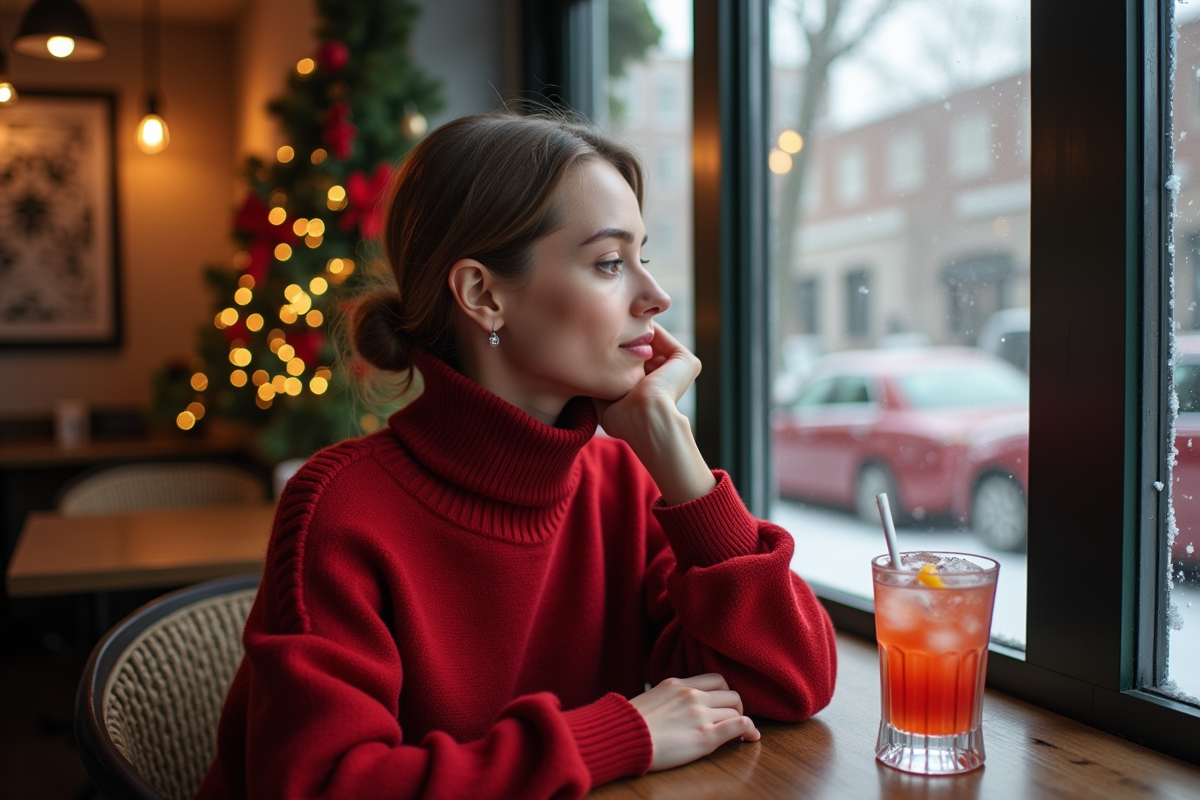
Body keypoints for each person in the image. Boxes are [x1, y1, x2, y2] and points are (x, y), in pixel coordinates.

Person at [196, 110, 837, 800]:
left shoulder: (622, 483)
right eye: (610, 263)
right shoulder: (341, 509)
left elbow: (790, 682)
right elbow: (326, 785)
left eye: (642, 259)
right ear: (483, 295)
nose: (656, 297)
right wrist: (616, 735)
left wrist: (680, 460)